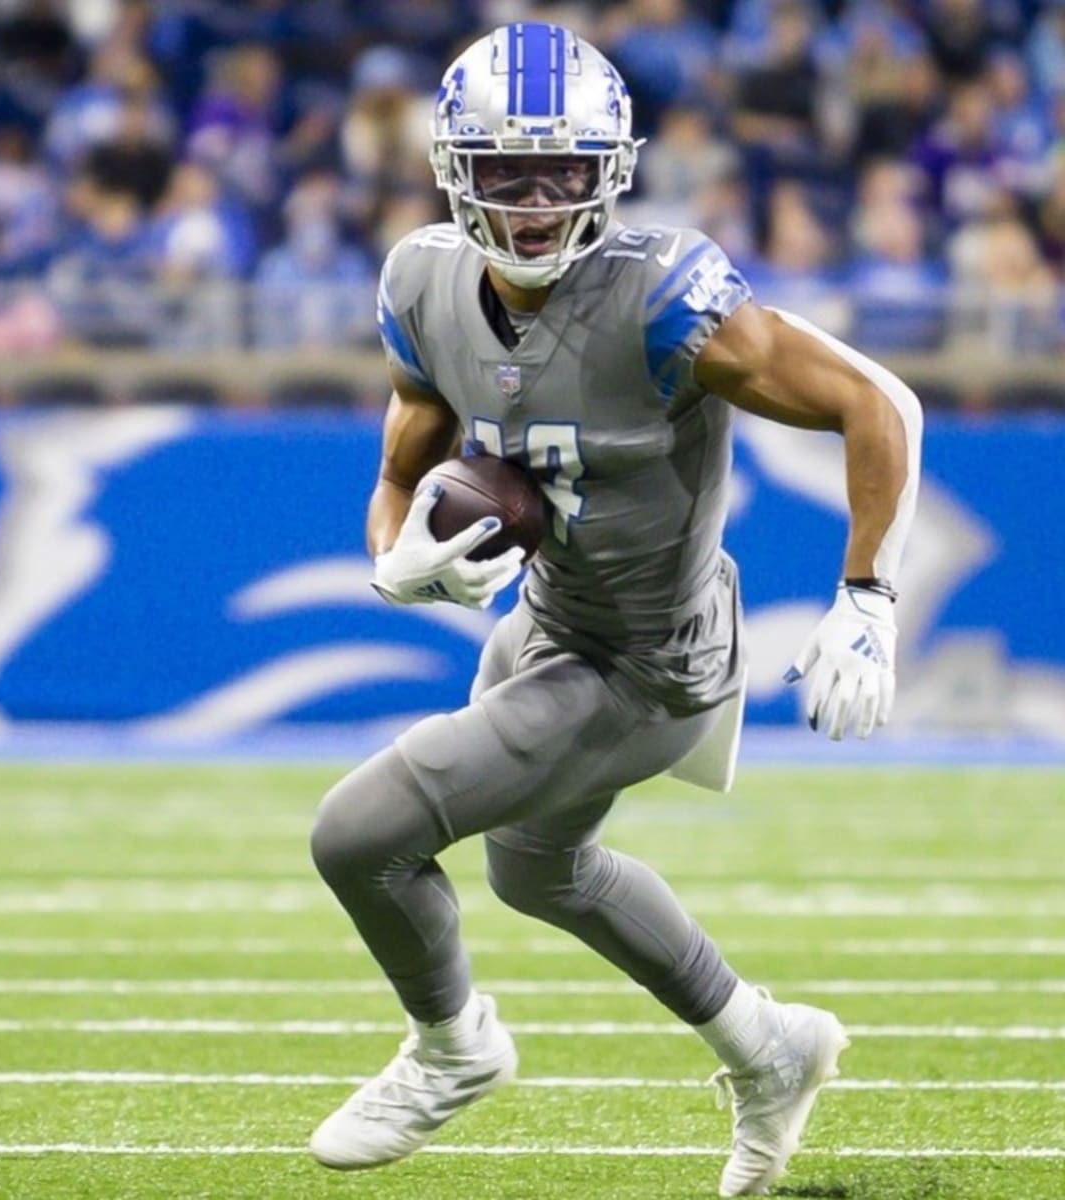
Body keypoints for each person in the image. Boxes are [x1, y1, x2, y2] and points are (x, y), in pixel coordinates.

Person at [309, 22, 922, 1199]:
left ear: (613, 172)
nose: (536, 204)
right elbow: (402, 471)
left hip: (650, 656)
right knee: (538, 870)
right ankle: (770, 1048)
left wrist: (867, 597)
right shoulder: (422, 281)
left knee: (358, 834)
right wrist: (397, 561)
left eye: (565, 172)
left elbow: (874, 403)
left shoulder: (662, 298)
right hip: (546, 625)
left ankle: (453, 1046)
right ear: (453, 171)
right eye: (505, 172)